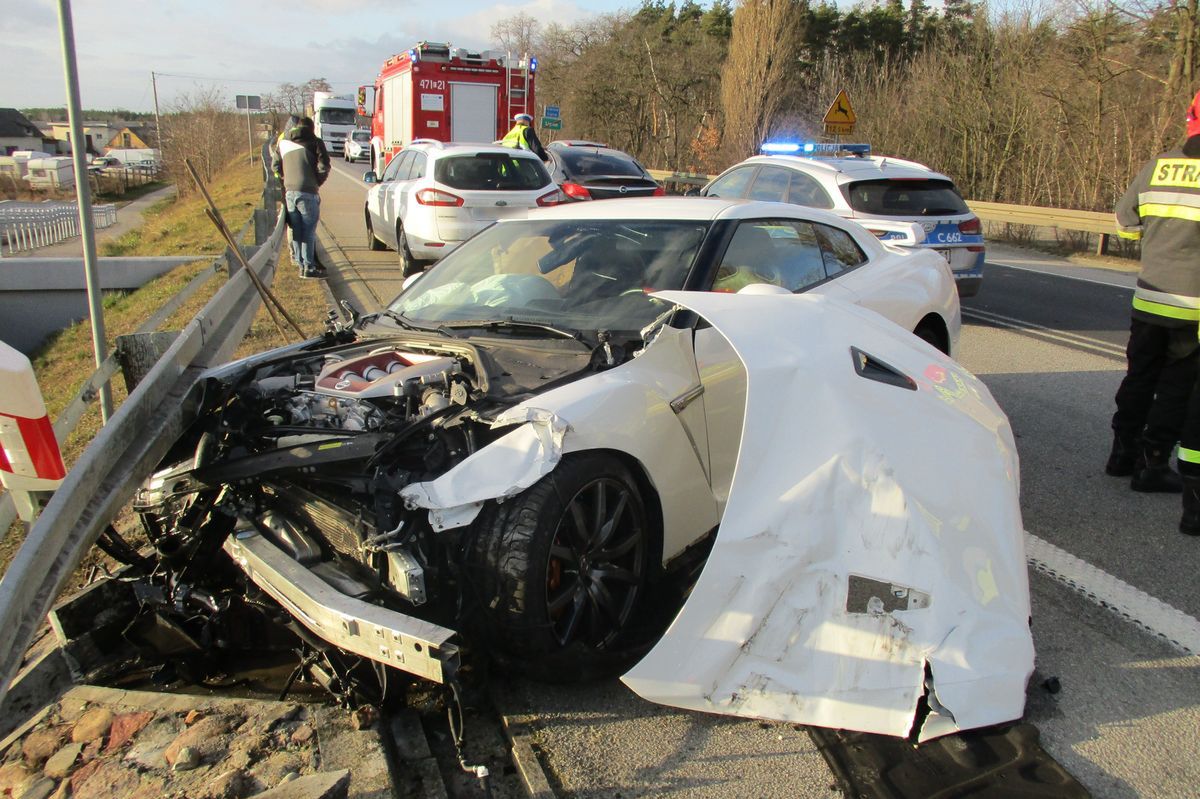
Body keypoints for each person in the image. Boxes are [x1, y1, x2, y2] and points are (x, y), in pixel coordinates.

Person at [1109, 89, 1200, 494]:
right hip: (1193, 307)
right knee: (1178, 386)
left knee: (1139, 376)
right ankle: (1154, 463)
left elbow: (1125, 224)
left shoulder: (1157, 166)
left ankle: (1121, 454)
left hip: (1149, 298)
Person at [271, 117, 329, 278]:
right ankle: (309, 267)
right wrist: (317, 181)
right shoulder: (316, 142)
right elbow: (324, 166)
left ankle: (300, 264)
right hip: (308, 192)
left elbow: (275, 166)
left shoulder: (283, 143)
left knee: (296, 230)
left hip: (290, 192)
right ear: (311, 128)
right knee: (309, 232)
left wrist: (286, 178)